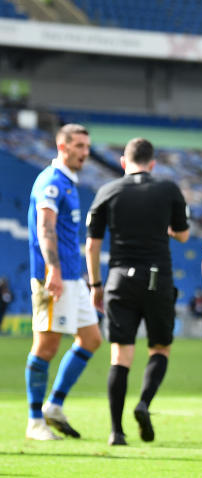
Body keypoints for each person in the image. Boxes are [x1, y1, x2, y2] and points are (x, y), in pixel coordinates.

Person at [85, 137, 190, 446]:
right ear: (152, 163)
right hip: (156, 278)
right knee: (159, 348)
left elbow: (92, 244)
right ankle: (144, 402)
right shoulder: (168, 188)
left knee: (120, 356)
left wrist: (95, 285)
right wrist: (167, 228)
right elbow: (183, 235)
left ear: (123, 162)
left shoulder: (107, 191)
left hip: (119, 279)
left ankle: (116, 431)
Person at [24, 123, 102, 441]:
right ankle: (34, 421)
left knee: (92, 338)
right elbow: (45, 228)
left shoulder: (69, 182)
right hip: (53, 276)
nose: (85, 152)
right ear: (62, 146)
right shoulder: (52, 182)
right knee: (46, 345)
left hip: (73, 276)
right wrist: (53, 270)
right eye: (79, 146)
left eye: (87, 146)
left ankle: (53, 405)